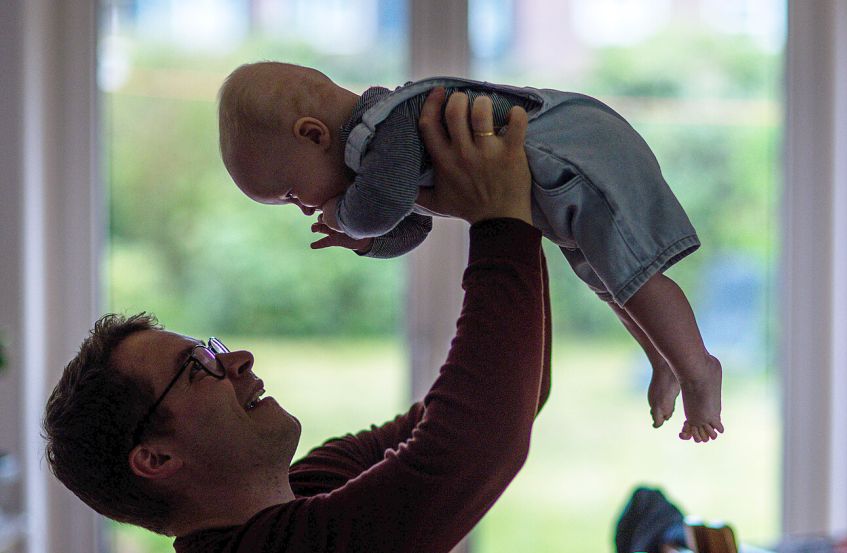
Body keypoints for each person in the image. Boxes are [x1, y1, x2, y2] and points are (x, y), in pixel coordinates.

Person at [43, 91, 553, 551]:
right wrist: (499, 220)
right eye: (200, 367)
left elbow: (509, 401)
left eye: (214, 349)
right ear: (155, 459)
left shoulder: (310, 486)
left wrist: (515, 209)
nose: (238, 360)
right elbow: (472, 445)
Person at [217, 61, 723, 442]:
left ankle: (699, 370)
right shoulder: (384, 154)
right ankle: (664, 359)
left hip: (576, 154)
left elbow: (383, 204)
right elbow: (412, 224)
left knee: (635, 273)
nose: (302, 208)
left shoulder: (389, 126)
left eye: (288, 194)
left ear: (313, 134)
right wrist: (370, 241)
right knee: (613, 280)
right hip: (559, 181)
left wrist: (346, 218)